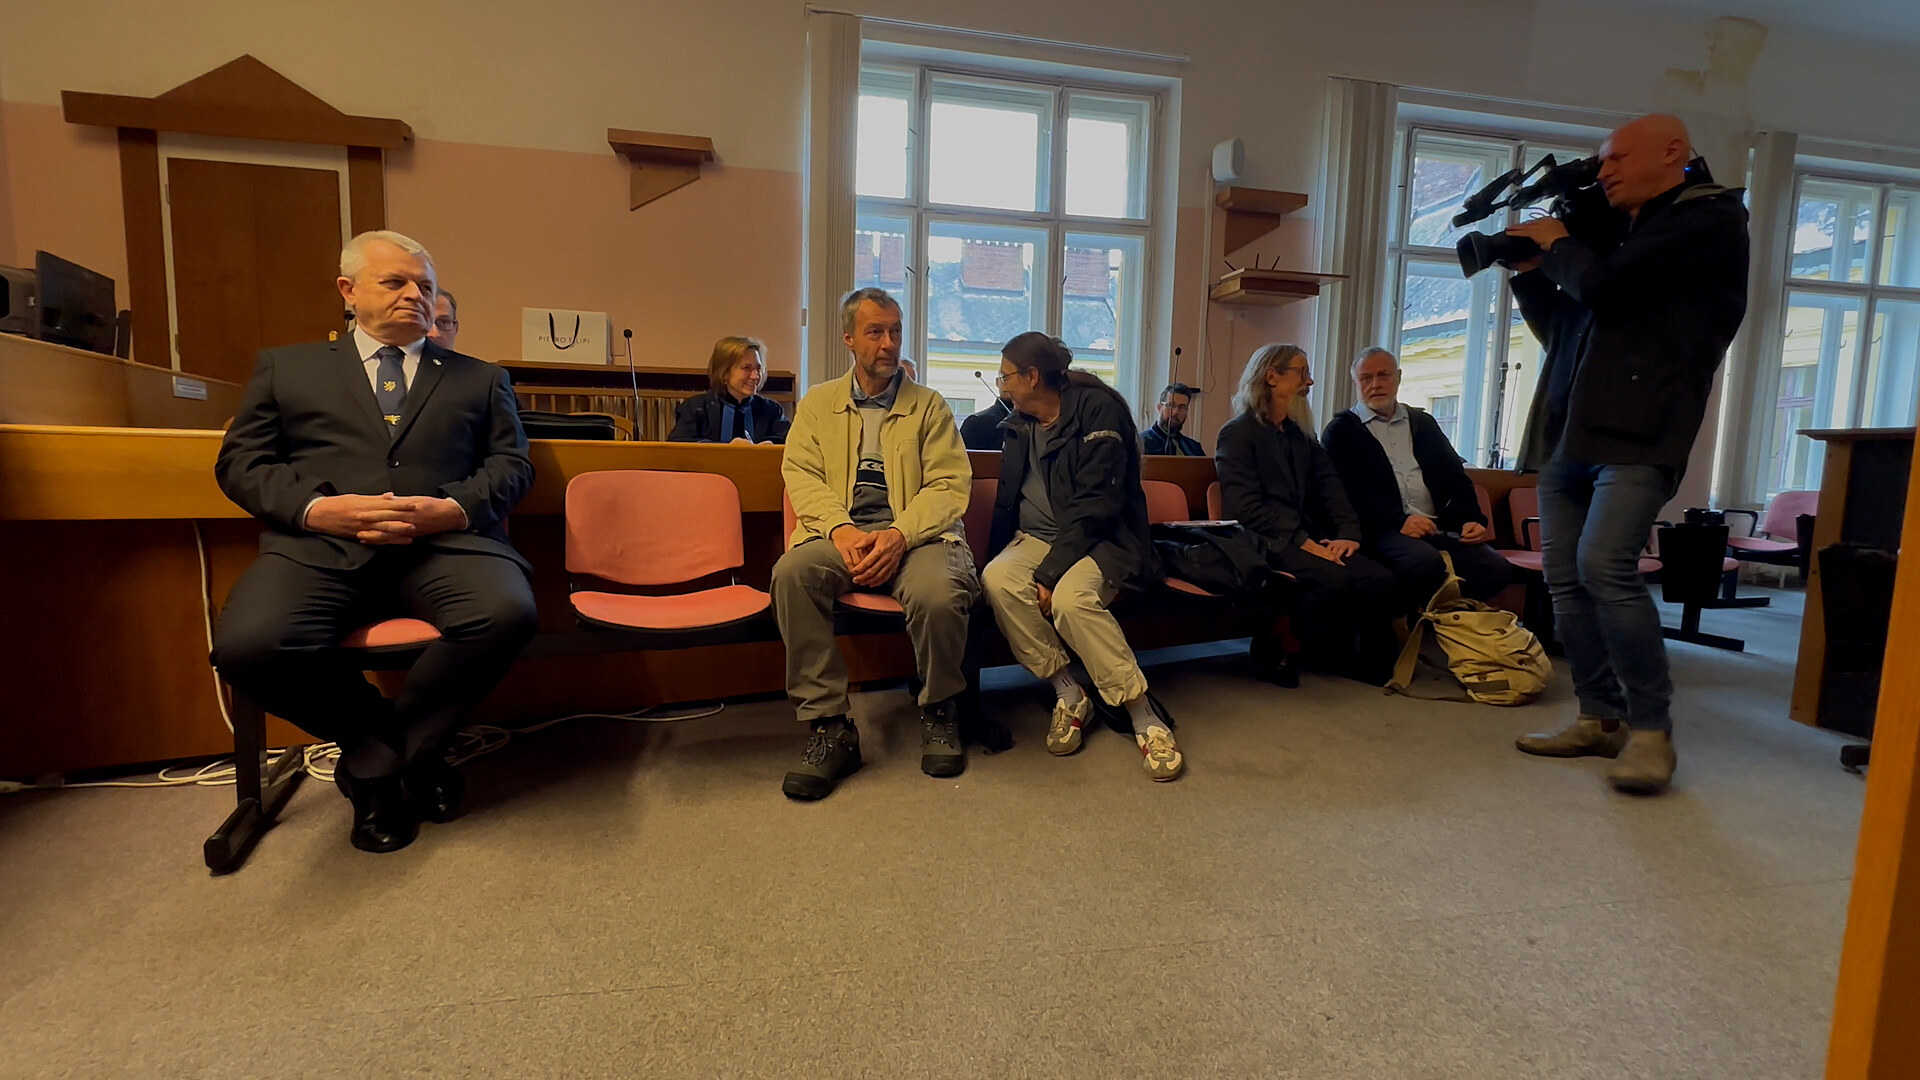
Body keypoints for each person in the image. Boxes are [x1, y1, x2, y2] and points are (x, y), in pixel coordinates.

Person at [211, 230, 537, 854]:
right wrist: (317, 509)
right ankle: (382, 750)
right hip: (319, 550)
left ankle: (394, 763)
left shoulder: (480, 378)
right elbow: (241, 463)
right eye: (395, 282)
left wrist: (452, 509)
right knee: (248, 645)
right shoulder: (287, 367)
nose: (415, 294)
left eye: (425, 286)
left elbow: (512, 466)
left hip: (445, 547)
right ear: (348, 290)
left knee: (506, 613)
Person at [1503, 114, 1749, 796]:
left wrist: (1558, 243)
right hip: (1570, 431)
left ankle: (1650, 732)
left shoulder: (1709, 219)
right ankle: (1599, 717)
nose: (1603, 170)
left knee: (1604, 565)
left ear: (1673, 152)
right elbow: (1564, 326)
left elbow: (1602, 288)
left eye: (1615, 158)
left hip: (1642, 430)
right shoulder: (1619, 241)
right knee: (1565, 578)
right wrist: (1530, 273)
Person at [773, 287, 979, 800]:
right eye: (875, 332)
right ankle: (830, 726)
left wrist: (899, 534)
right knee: (792, 575)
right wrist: (839, 530)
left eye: (895, 331)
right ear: (849, 338)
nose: (889, 343)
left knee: (939, 593)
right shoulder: (818, 404)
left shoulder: (930, 407)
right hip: (841, 532)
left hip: (917, 535)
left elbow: (949, 485)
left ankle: (939, 708)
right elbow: (800, 474)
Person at [980, 333, 1182, 781]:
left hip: (1105, 538)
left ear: (1033, 377)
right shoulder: (1018, 424)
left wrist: (1050, 575)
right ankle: (1069, 692)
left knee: (1071, 601)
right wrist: (998, 559)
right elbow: (1008, 503)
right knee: (997, 580)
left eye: (1006, 375)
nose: (1002, 383)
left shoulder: (1097, 410)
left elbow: (1097, 505)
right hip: (1039, 539)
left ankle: (1143, 715)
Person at [1215, 344, 1394, 685]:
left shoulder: (1301, 437)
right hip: (1263, 539)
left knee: (1379, 578)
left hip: (1304, 536)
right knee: (1334, 579)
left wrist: (1348, 534)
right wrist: (1303, 542)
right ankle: (1282, 646)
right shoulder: (1237, 433)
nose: (1309, 382)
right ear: (1272, 377)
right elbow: (1245, 508)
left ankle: (1359, 659)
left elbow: (1331, 486)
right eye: (1301, 373)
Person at [1321, 347, 1514, 605]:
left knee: (1497, 568)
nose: (1375, 384)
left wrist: (1471, 519)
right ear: (1355, 383)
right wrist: (1399, 521)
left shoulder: (1423, 423)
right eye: (1366, 378)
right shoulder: (1341, 430)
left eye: (1384, 375)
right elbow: (1347, 494)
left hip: (1435, 527)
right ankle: (1408, 621)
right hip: (1379, 529)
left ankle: (1443, 616)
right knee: (1423, 563)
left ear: (1398, 377)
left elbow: (1455, 477)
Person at [668, 335, 791, 444]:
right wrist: (726, 448)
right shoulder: (696, 407)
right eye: (746, 368)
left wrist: (769, 447)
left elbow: (790, 443)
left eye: (758, 368)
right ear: (724, 372)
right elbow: (679, 445)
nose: (755, 376)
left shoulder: (771, 410)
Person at [1141, 382, 1204, 456]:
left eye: (1182, 407)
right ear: (1159, 408)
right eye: (1171, 405)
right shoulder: (1140, 443)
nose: (1176, 411)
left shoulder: (1194, 447)